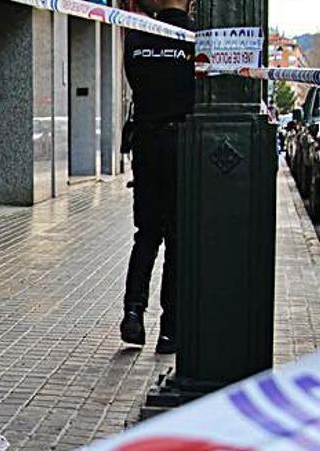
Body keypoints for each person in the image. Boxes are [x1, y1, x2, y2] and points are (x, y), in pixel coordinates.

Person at [120, 0, 196, 355]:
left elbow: (137, 83)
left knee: (147, 234)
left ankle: (133, 312)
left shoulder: (136, 37)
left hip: (146, 144)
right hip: (183, 143)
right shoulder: (196, 39)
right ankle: (170, 329)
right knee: (179, 238)